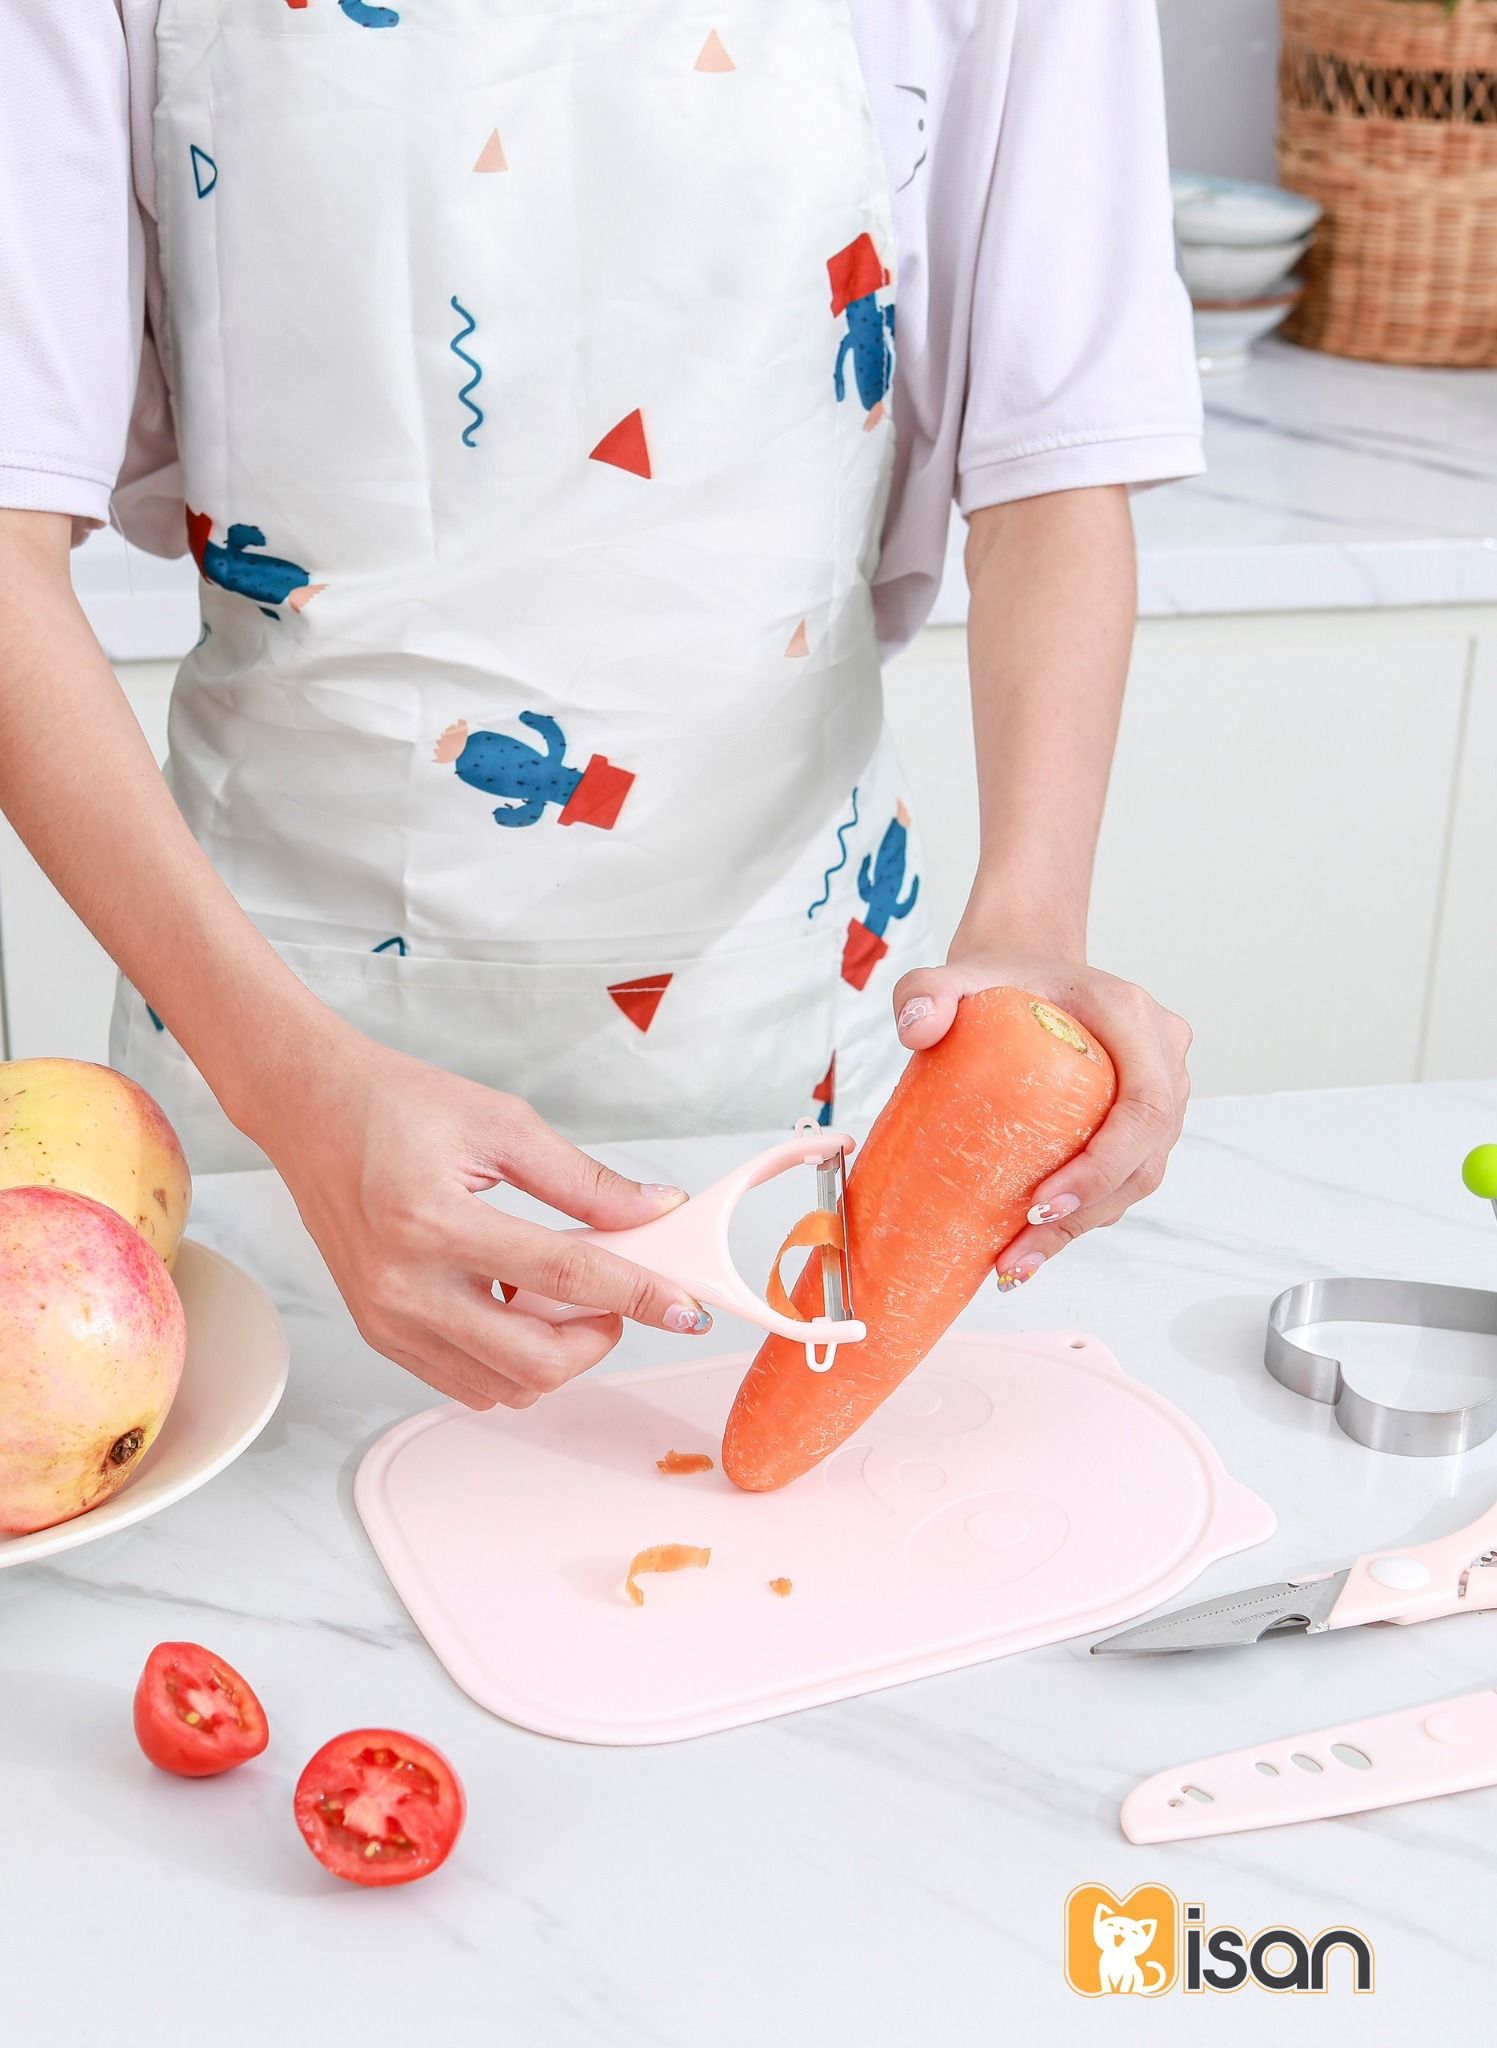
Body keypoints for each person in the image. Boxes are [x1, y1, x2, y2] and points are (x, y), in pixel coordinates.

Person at [0, 1, 1200, 1411]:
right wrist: (296, 1090)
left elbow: (1054, 462)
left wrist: (1031, 928)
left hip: (792, 1051)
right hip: (262, 1052)